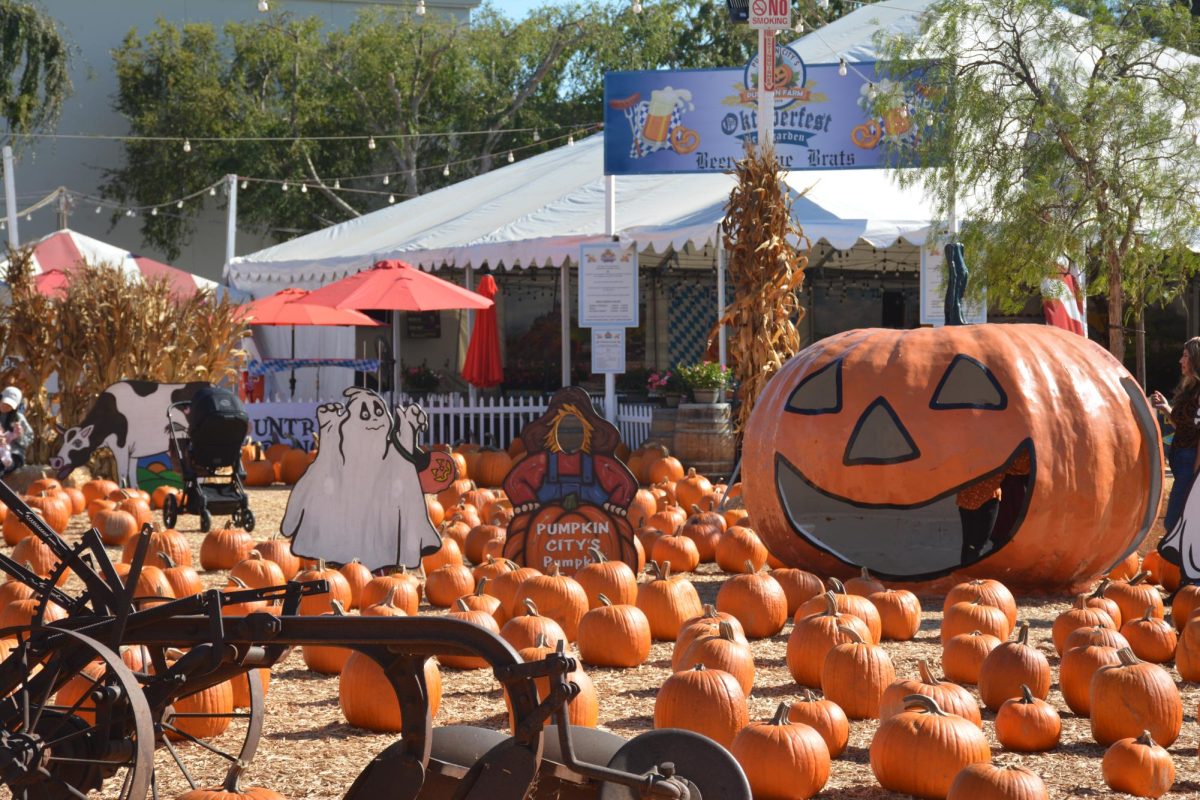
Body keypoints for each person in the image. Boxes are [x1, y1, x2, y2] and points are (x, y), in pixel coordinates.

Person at [1151, 338, 1200, 534]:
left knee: (1173, 522)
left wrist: (1197, 471)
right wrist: (1166, 408)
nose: (1181, 360)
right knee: (1179, 520)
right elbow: (1184, 425)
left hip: (1191, 463)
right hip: (1182, 461)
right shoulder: (1190, 389)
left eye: (1186, 356)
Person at [0, 386, 33, 477]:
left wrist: (19, 436)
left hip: (13, 455)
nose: (6, 407)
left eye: (10, 406)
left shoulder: (19, 419)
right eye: (4, 403)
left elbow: (29, 440)